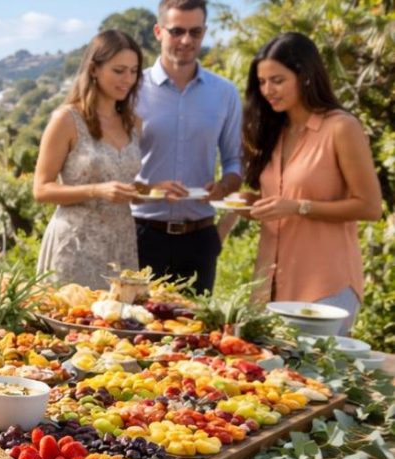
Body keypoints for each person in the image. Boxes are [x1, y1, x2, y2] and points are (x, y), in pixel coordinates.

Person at [244, 32, 382, 333]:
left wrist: (298, 207)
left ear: (305, 76)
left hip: (324, 288)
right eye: (262, 82)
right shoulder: (273, 131)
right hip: (268, 287)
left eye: (277, 80)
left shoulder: (340, 128)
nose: (268, 90)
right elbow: (282, 200)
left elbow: (370, 206)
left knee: (318, 380)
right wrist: (253, 205)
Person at [132, 0, 243, 295]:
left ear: (204, 33)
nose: (186, 40)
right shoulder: (131, 91)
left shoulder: (225, 93)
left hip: (200, 239)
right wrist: (148, 186)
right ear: (158, 31)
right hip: (140, 235)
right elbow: (114, 167)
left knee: (192, 335)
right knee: (134, 329)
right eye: (177, 31)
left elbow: (235, 160)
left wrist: (226, 184)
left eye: (195, 32)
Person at [34, 30, 144, 289]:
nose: (128, 79)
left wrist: (152, 191)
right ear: (94, 69)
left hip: (122, 243)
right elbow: (41, 189)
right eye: (119, 71)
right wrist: (96, 191)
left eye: (133, 71)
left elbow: (123, 182)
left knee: (122, 324)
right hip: (75, 245)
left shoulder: (133, 123)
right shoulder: (66, 120)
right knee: (72, 324)